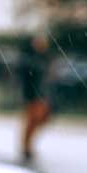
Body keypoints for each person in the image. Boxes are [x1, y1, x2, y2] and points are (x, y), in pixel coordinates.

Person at [18, 32, 54, 162]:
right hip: (33, 95)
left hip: (42, 95)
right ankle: (26, 147)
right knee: (32, 121)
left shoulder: (44, 58)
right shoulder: (30, 59)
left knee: (41, 119)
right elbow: (27, 78)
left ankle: (27, 146)